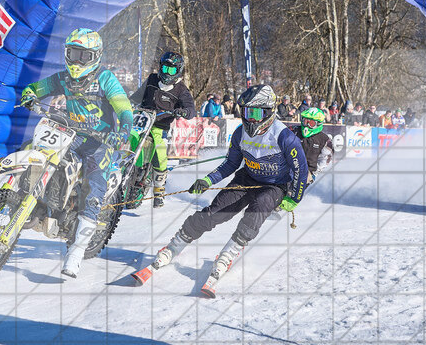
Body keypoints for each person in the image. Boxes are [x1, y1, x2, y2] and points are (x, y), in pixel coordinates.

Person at [148, 84, 308, 282]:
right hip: (247, 178)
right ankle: (174, 246)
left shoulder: (284, 136)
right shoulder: (241, 133)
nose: (251, 118)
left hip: (275, 185)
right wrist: (208, 180)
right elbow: (231, 163)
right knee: (214, 213)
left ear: (268, 112)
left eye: (256, 113)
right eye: (247, 112)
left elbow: (301, 170)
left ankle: (228, 254)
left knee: (256, 210)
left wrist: (294, 199)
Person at [19, 28, 134, 278]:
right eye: (73, 54)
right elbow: (37, 87)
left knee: (93, 188)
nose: (77, 61)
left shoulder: (106, 79)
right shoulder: (63, 78)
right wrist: (29, 94)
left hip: (100, 141)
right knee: (33, 149)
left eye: (84, 56)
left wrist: (123, 131)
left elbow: (124, 108)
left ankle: (76, 252)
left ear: (96, 57)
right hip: (71, 133)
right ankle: (26, 199)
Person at [131, 52, 195, 208]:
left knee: (159, 152)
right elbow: (137, 96)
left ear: (178, 71)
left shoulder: (181, 90)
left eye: (171, 70)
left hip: (161, 126)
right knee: (128, 137)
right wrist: (128, 103)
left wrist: (183, 111)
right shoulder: (152, 79)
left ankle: (159, 190)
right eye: (165, 68)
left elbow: (191, 109)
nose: (167, 73)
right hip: (142, 121)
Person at [296, 107, 333, 180]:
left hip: (309, 173)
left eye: (311, 123)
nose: (307, 125)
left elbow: (325, 159)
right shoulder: (294, 132)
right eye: (305, 121)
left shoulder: (324, 139)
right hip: (290, 170)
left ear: (318, 124)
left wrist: (315, 173)